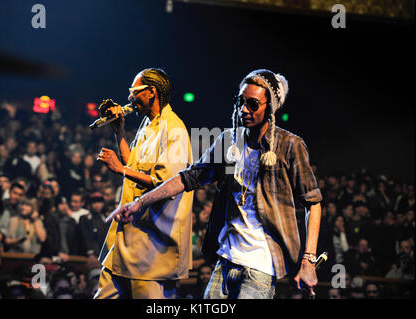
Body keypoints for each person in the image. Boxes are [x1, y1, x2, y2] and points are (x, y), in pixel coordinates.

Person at [108, 69, 322, 299]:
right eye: (241, 101)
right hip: (226, 259)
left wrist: (308, 261)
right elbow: (188, 177)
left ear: (269, 108)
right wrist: (140, 203)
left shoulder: (290, 146)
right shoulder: (229, 141)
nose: (244, 110)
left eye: (253, 104)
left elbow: (313, 203)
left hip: (260, 267)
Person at [94, 68, 193, 299]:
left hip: (152, 246)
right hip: (129, 235)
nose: (129, 98)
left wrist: (120, 169)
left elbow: (167, 183)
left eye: (134, 92)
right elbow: (134, 164)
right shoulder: (148, 125)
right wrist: (118, 132)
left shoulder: (174, 129)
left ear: (151, 92)